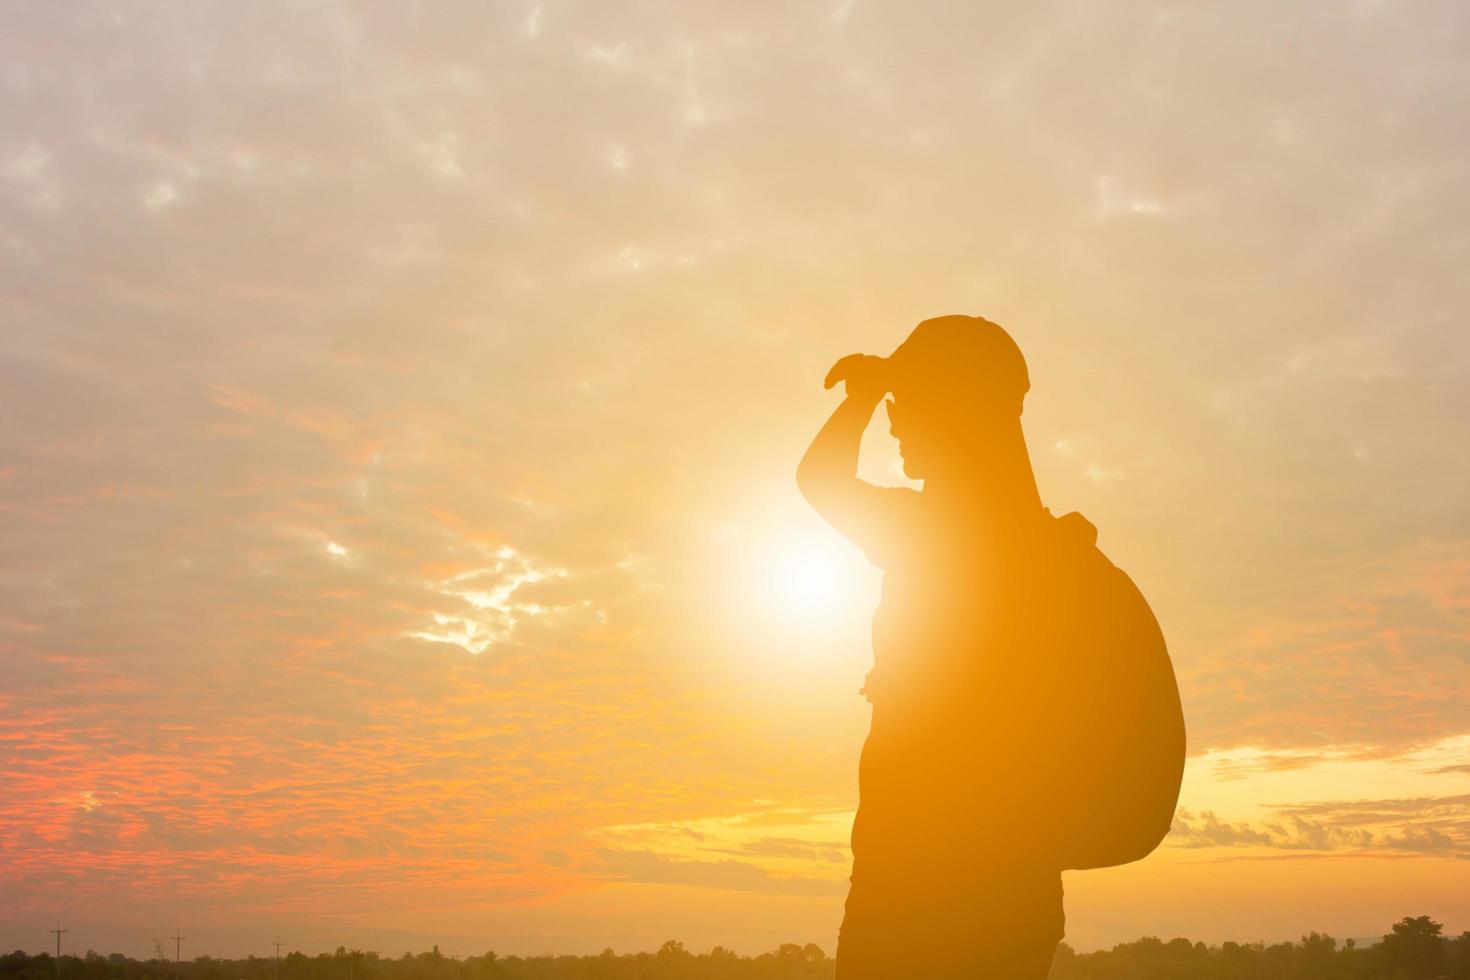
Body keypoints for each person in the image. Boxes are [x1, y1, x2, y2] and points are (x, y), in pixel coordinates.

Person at [797, 315, 1109, 978]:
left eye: (908, 402)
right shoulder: (1061, 553)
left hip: (915, 885)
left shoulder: (933, 534)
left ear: (956, 411)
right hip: (1011, 888)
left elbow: (819, 479)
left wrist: (861, 395)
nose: (895, 421)